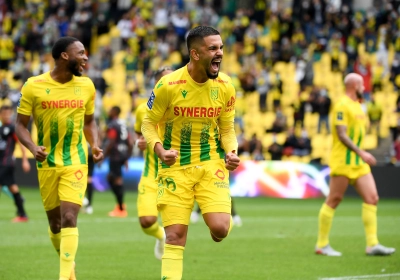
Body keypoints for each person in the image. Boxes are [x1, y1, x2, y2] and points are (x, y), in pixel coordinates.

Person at [142, 26, 240, 280]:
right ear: (195, 54)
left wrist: (231, 151)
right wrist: (160, 150)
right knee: (174, 237)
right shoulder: (168, 85)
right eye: (213, 48)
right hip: (175, 168)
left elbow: (227, 128)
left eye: (221, 48)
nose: (219, 53)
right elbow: (148, 123)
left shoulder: (226, 86)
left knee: (220, 229)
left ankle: (214, 221)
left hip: (210, 165)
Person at [16, 36, 104, 280]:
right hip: (47, 164)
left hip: (75, 160)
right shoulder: (33, 86)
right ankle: (70, 270)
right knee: (55, 224)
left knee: (69, 218)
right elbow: (20, 125)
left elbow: (89, 121)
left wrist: (94, 144)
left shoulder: (87, 86)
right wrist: (33, 147)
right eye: (81, 53)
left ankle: (63, 277)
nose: (86, 57)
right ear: (65, 56)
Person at [315, 73, 395, 257]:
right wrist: (361, 151)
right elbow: (341, 134)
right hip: (343, 160)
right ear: (354, 85)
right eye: (361, 84)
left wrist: (360, 154)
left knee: (372, 197)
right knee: (334, 199)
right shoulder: (342, 105)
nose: (363, 87)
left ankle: (372, 244)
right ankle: (321, 244)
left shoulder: (359, 106)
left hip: (358, 163)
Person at [134, 66, 173, 259]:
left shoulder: (183, 105)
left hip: (176, 175)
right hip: (151, 175)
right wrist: (139, 142)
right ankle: (161, 236)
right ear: (157, 85)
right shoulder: (142, 109)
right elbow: (138, 133)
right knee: (147, 221)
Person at [0, 105, 31, 222]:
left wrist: (25, 160)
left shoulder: (12, 128)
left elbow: (21, 144)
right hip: (2, 163)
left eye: (8, 113)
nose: (6, 115)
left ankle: (22, 214)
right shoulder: (1, 128)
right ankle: (23, 215)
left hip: (6, 163)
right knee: (13, 188)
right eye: (4, 113)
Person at [104, 106, 133, 217]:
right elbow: (130, 142)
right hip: (122, 154)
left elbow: (111, 141)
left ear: (115, 112)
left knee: (117, 180)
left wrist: (104, 156)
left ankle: (121, 208)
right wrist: (127, 157)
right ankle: (120, 206)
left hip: (115, 155)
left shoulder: (113, 125)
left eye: (110, 110)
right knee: (111, 178)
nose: (108, 111)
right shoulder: (123, 124)